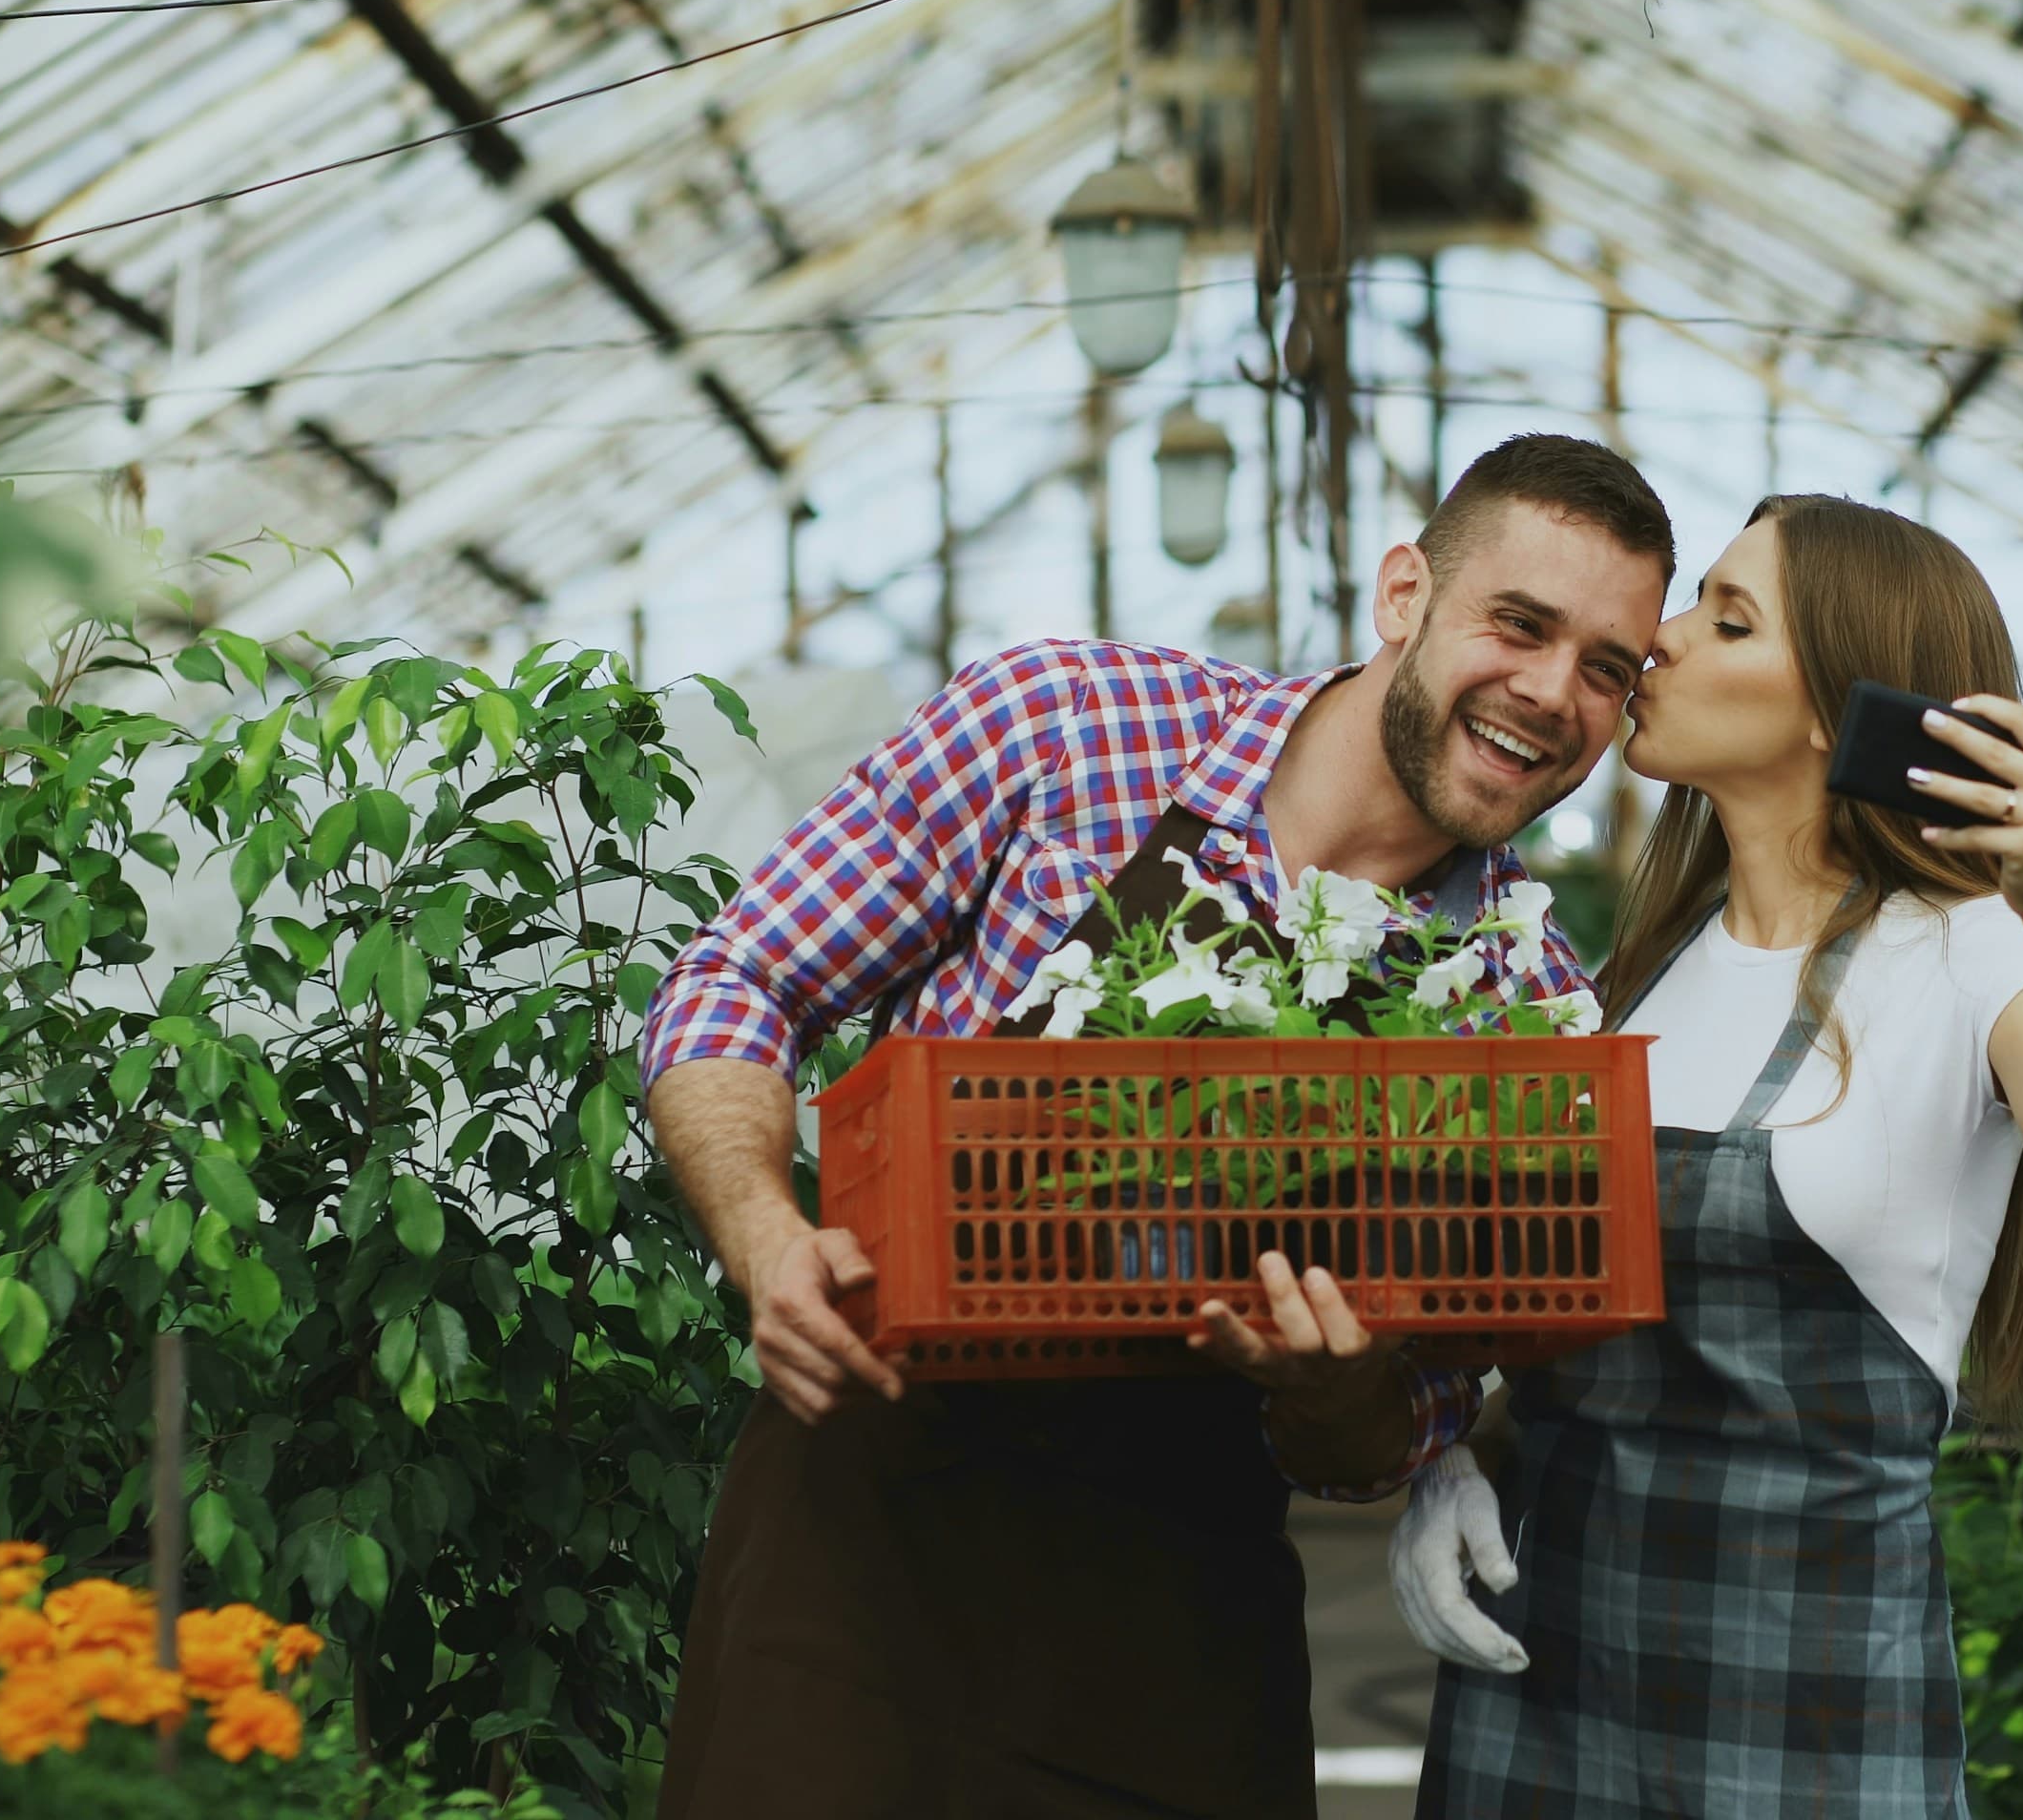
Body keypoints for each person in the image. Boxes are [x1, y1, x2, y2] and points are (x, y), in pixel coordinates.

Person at [638, 434, 1676, 1819]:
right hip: (869, 1532)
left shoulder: (1527, 1015)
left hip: (1173, 1615)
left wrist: (1340, 1385)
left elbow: (1396, 1434)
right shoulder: (1070, 725)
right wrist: (766, 1236)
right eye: (1521, 626)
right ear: (1405, 595)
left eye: (1607, 667)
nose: (1552, 694)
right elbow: (741, 980)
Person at [1392, 493, 2023, 1818]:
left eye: (1726, 617)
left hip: (1806, 1696)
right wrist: (1460, 1453)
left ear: (1838, 707)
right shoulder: (1638, 979)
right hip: (1548, 1662)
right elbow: (1585, 1321)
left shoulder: (1964, 946)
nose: (1662, 641)